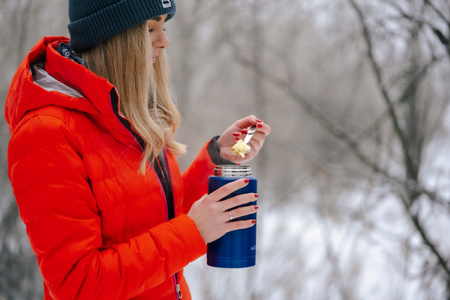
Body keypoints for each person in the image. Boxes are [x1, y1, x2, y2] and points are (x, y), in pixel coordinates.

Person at [5, 0, 271, 299]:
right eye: (150, 28)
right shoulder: (48, 133)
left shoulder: (126, 112)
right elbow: (77, 285)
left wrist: (217, 158)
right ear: (113, 36)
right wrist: (192, 232)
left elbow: (160, 219)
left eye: (164, 26)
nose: (165, 41)